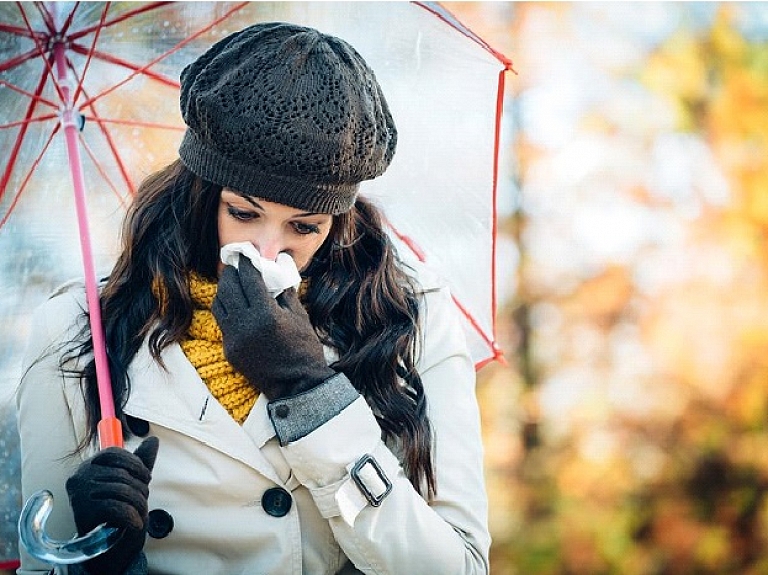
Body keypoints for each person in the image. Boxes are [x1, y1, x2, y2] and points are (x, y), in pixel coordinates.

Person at [16, 22, 490, 575]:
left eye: (304, 227)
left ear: (337, 221)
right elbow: (41, 565)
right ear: (201, 193)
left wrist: (310, 395)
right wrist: (94, 562)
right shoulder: (80, 328)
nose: (270, 250)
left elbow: (458, 565)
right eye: (243, 213)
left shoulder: (411, 315)